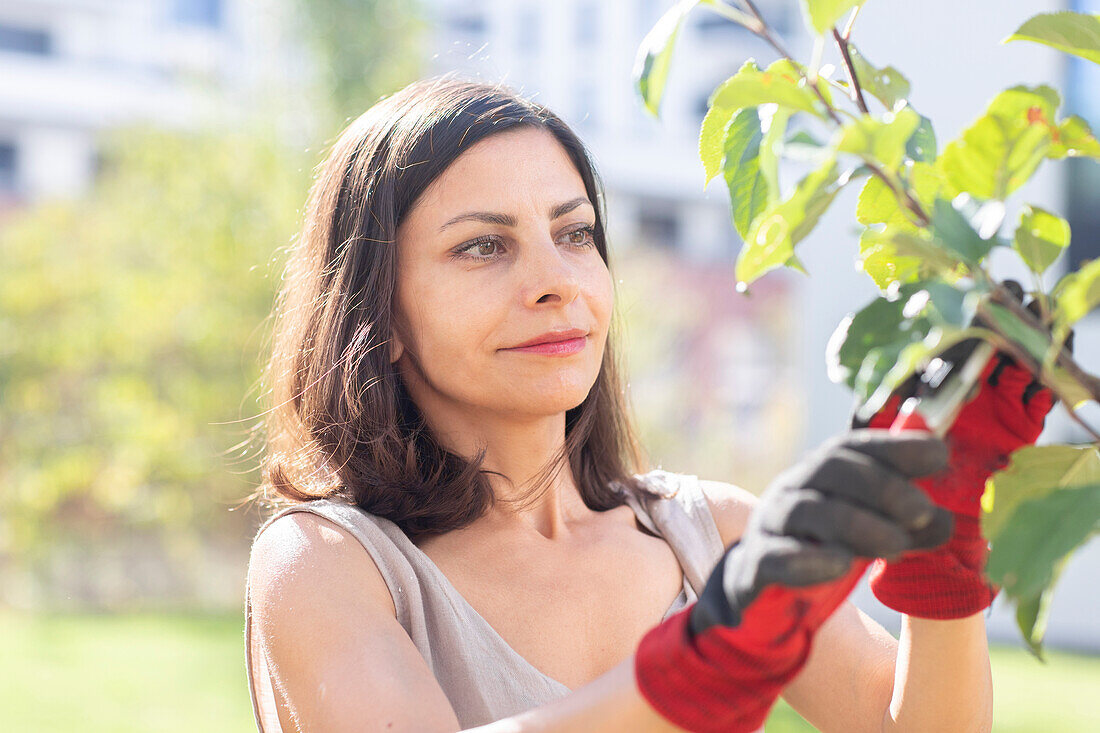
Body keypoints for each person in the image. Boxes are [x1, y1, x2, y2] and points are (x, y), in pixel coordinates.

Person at [244, 74, 1053, 732]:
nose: (556, 280)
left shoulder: (711, 534)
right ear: (377, 314)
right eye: (482, 246)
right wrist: (700, 666)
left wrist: (940, 538)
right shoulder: (327, 563)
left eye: (575, 233)